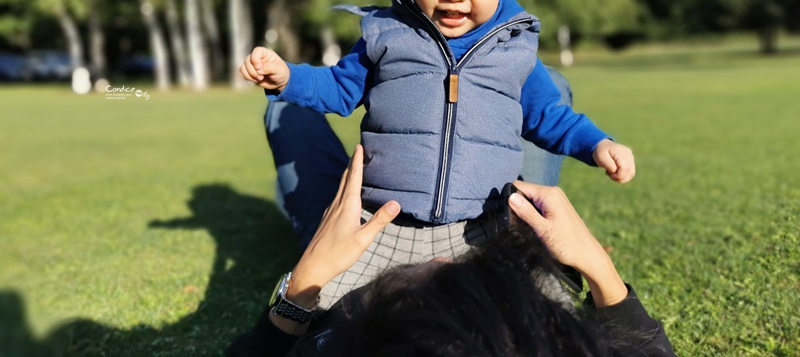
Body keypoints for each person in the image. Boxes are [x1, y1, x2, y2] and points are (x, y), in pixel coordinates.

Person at [240, 0, 636, 305]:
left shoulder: (514, 50)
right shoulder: (385, 34)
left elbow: (549, 115)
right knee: (322, 303)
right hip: (384, 224)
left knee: (546, 306)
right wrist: (288, 76)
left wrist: (598, 144)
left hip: (483, 229)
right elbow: (337, 87)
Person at [226, 146, 675, 356]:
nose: (443, 263)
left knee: (289, 106)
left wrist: (303, 286)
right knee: (543, 90)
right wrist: (596, 265)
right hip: (496, 245)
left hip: (347, 268)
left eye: (424, 297)